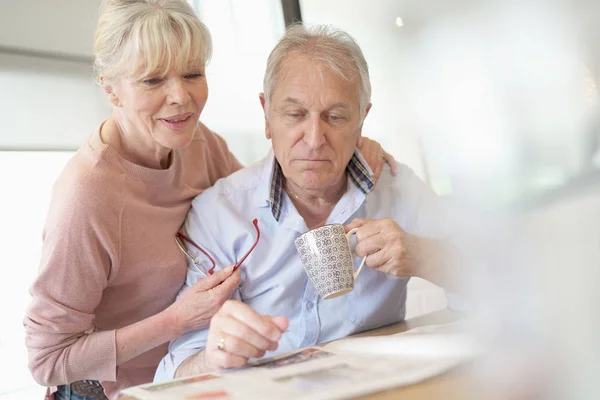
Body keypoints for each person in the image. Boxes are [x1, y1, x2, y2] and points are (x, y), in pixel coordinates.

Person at [22, 2, 393, 399]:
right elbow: (48, 359)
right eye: (152, 80)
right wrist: (176, 321)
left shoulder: (196, 141)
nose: (180, 97)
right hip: (112, 392)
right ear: (110, 87)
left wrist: (347, 146)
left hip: (186, 377)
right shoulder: (87, 195)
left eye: (192, 73)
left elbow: (258, 205)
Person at [155, 24, 466, 381]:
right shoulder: (219, 215)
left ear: (362, 120)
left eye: (335, 117)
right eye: (295, 115)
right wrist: (216, 355)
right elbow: (173, 373)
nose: (315, 140)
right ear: (267, 115)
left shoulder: (397, 189)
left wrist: (424, 256)